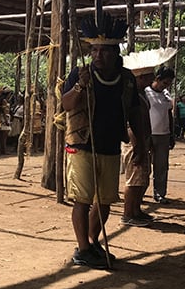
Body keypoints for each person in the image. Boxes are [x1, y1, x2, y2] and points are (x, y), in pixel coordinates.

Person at [62, 14, 142, 269]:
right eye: (94, 50)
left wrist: (140, 143)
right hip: (82, 143)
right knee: (82, 200)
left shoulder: (127, 79)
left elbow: (134, 112)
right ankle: (83, 250)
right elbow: (65, 105)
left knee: (105, 201)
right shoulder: (80, 73)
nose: (97, 55)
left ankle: (92, 241)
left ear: (115, 52)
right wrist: (79, 87)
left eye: (103, 51)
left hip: (110, 146)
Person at [121, 47, 177, 226]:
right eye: (149, 76)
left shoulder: (141, 94)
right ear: (141, 78)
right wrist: (138, 146)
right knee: (134, 179)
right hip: (134, 142)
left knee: (142, 177)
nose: (153, 78)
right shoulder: (132, 95)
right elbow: (131, 123)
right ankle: (128, 213)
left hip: (143, 140)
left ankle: (136, 210)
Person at [145, 66, 176, 204]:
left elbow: (169, 113)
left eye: (169, 83)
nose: (166, 86)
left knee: (161, 166)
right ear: (157, 79)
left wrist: (171, 134)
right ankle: (138, 193)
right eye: (165, 83)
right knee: (144, 165)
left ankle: (159, 193)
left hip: (163, 134)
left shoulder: (166, 94)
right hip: (147, 134)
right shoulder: (145, 92)